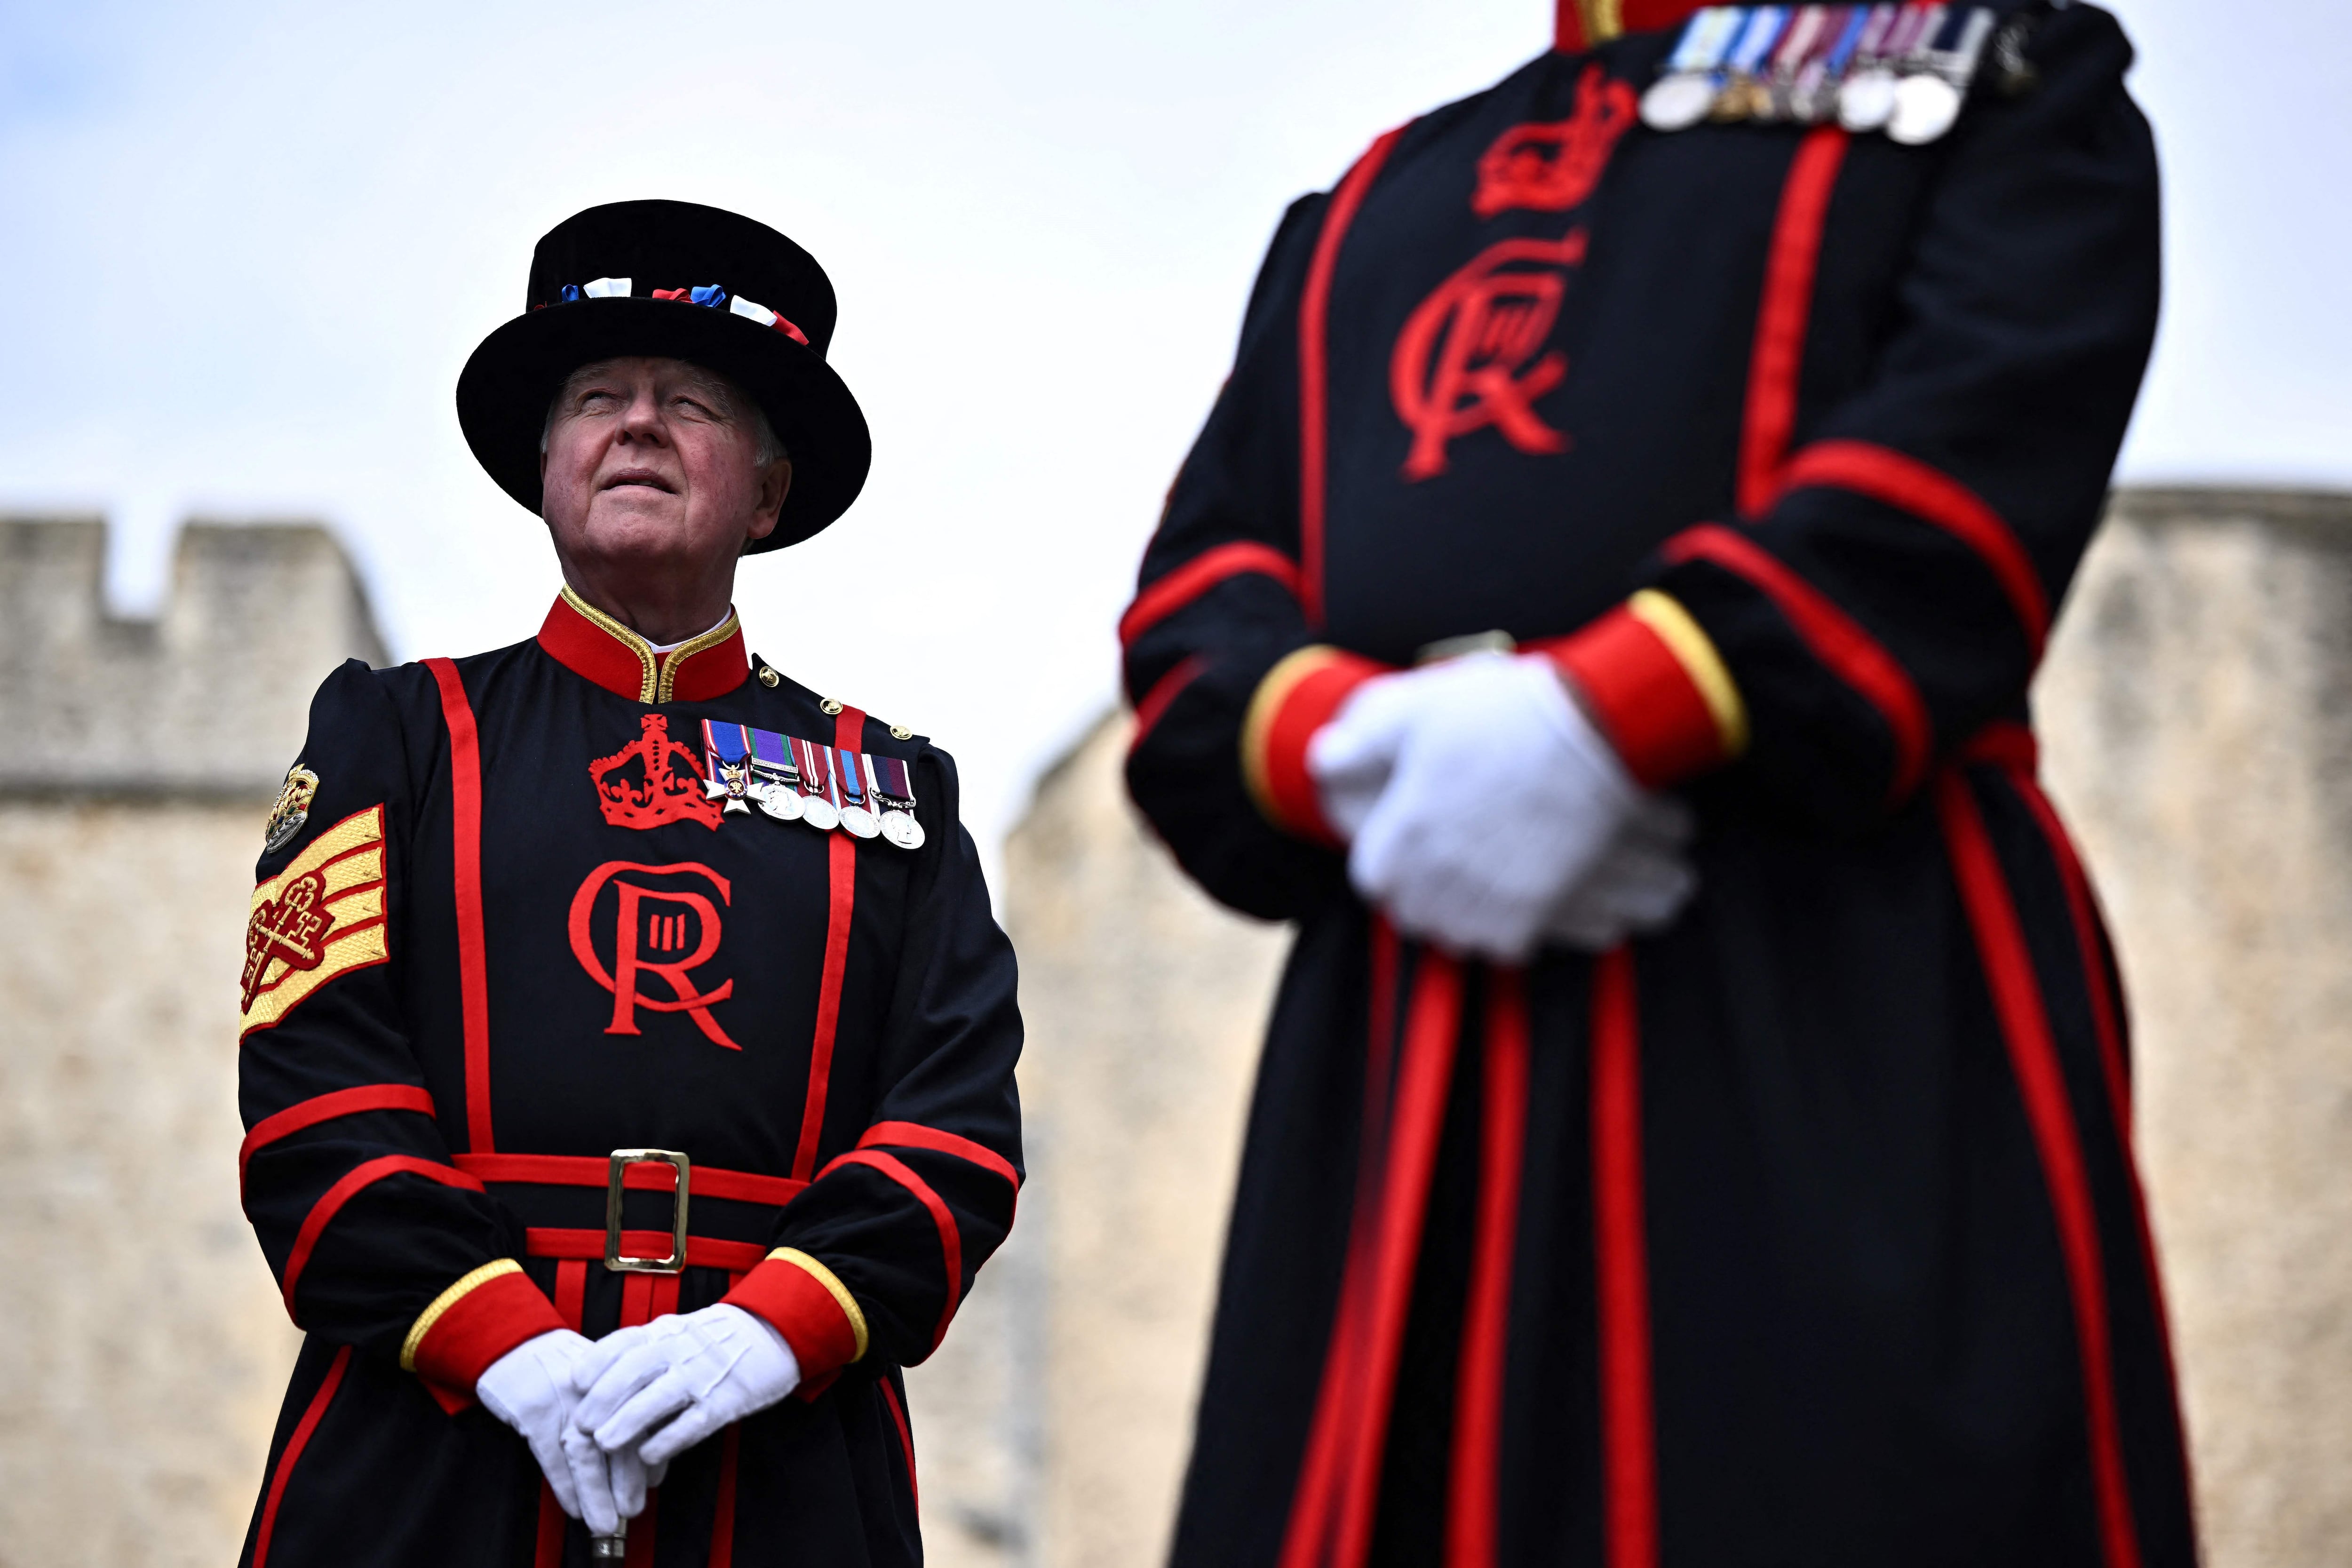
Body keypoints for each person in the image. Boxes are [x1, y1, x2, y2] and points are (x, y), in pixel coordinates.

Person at [1121, 3, 2193, 1564]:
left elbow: (1976, 455)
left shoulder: (1992, 68)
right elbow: (1197, 600)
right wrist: (1348, 743)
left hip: (1829, 977)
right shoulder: (1370, 203)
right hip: (1408, 1026)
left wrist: (1619, 706)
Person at [235, 199, 1022, 1568]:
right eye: (599, 396)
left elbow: (957, 1134)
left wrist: (763, 1335)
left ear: (768, 492)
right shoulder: (399, 739)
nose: (639, 425)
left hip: (781, 1462)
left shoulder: (897, 792)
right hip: (427, 1450)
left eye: (692, 403)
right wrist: (504, 1346)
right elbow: (314, 1094)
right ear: (548, 465)